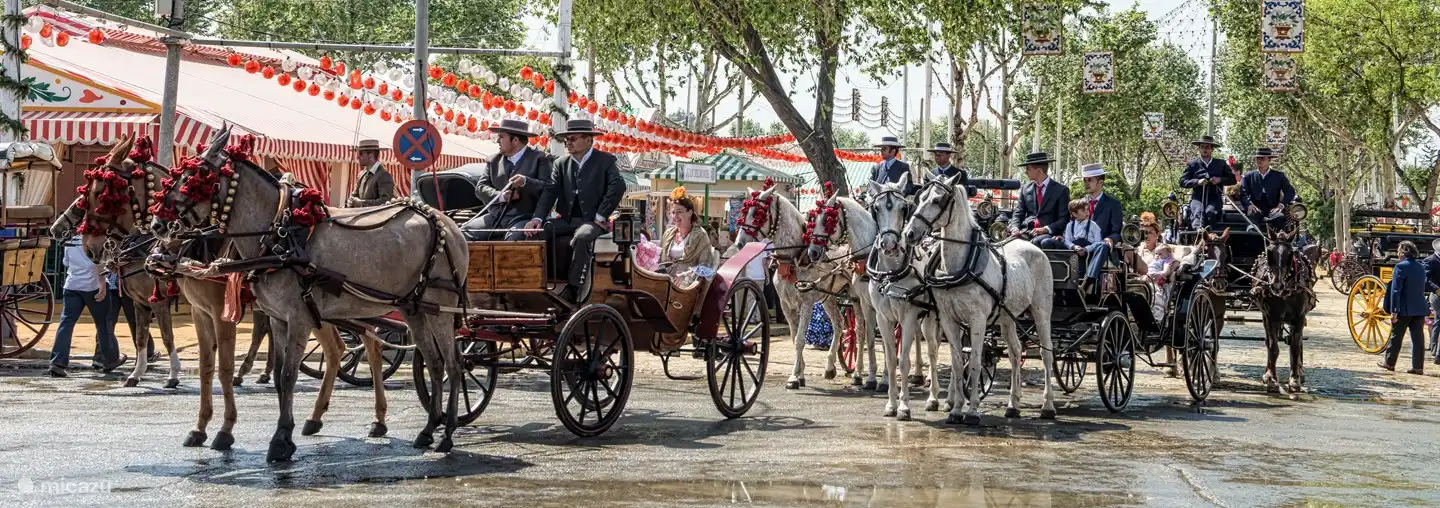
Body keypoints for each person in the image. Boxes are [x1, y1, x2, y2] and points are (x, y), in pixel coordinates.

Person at [525, 119, 626, 304]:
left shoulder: (605, 160)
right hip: (566, 219)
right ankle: (533, 282)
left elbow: (618, 186)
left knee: (582, 237)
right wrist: (537, 218)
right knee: (535, 234)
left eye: (573, 138)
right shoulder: (561, 163)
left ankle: (573, 288)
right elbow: (550, 192)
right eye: (566, 140)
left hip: (593, 221)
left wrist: (600, 215)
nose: (568, 143)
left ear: (588, 140)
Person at [465, 119, 555, 241]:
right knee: (464, 232)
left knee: (514, 241)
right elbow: (480, 189)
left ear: (515, 140)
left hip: (525, 218)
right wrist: (501, 196)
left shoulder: (541, 159)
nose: (497, 140)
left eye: (501, 137)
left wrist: (525, 182)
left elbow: (548, 189)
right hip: (495, 217)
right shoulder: (493, 160)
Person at [49, 237, 126, 377]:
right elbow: (99, 263)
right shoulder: (96, 240)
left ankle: (57, 362)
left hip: (72, 285)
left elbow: (65, 262)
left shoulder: (69, 241)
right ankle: (111, 359)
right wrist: (102, 283)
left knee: (66, 323)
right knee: (103, 324)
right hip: (93, 286)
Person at [1381, 241, 1429, 375]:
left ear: (1404, 252)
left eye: (1398, 250)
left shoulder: (1400, 267)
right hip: (1419, 307)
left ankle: (1389, 363)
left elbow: (1396, 290)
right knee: (1418, 339)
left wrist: (1394, 311)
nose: (1397, 253)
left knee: (1396, 337)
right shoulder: (1420, 267)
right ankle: (1418, 367)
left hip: (1404, 308)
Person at [1007, 151, 1070, 249]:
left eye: (1028, 169)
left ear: (1039, 170)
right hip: (1027, 231)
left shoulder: (1061, 190)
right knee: (1006, 241)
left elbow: (1064, 219)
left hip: (1048, 234)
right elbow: (1018, 213)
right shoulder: (1025, 189)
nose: (1025, 172)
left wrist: (1045, 229)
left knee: (1036, 242)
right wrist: (1014, 227)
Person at [658, 187, 719, 285]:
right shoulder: (668, 234)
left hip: (688, 285)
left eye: (679, 212)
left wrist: (685, 275)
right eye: (673, 212)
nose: (675, 216)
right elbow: (659, 260)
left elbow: (705, 265)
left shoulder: (701, 235)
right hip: (666, 282)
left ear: (690, 213)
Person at [1077, 164, 1123, 294]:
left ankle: (1087, 283)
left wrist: (1110, 239)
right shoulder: (1078, 203)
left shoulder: (1113, 204)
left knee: (1102, 245)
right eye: (1084, 180)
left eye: (1089, 180)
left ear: (1100, 182)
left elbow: (1117, 231)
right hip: (1080, 244)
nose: (1086, 183)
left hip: (1101, 247)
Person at [1178, 135, 1236, 230]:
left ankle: (1211, 237)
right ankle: (1198, 235)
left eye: (1208, 147)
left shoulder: (1221, 164)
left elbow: (1232, 179)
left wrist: (1220, 179)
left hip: (1215, 198)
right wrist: (1197, 182)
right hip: (1197, 198)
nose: (1205, 149)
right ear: (1199, 149)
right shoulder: (1193, 164)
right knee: (1198, 212)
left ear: (1212, 149)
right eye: (1202, 147)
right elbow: (1182, 181)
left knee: (1211, 212)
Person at [1237, 147, 1297, 232]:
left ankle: (1277, 240)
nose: (1259, 160)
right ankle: (1252, 238)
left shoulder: (1279, 176)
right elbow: (1243, 193)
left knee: (1280, 217)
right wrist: (1249, 204)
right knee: (1252, 219)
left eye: (1262, 158)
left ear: (1269, 160)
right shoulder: (1248, 176)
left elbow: (1290, 191)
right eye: (1258, 158)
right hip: (1255, 208)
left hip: (1272, 208)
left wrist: (1281, 205)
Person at [346, 139, 395, 207]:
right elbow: (354, 196)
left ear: (371, 156)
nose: (358, 157)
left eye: (361, 154)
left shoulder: (384, 175)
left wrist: (361, 203)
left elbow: (386, 201)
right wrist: (350, 202)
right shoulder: (361, 174)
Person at [1424, 239, 1440, 364]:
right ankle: (1437, 354)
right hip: (1436, 296)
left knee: (1437, 322)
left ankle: (1434, 349)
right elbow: (1426, 280)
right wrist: (1437, 289)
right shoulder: (1430, 260)